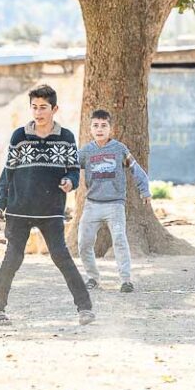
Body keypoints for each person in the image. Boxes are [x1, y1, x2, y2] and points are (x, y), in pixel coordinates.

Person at [0, 85, 95, 326]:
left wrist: (70, 181)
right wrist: (0, 202)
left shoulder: (66, 137)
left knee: (61, 257)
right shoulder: (20, 136)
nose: (38, 112)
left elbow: (73, 171)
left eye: (43, 108)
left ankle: (85, 308)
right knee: (12, 258)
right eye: (34, 107)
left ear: (54, 109)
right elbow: (9, 172)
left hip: (51, 210)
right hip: (19, 208)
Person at [77, 109, 152, 293]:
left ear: (111, 128)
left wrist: (145, 190)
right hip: (92, 205)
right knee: (84, 243)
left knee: (119, 240)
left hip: (115, 205)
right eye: (96, 126)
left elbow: (136, 169)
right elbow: (69, 169)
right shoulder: (86, 151)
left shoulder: (119, 149)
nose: (99, 129)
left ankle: (126, 280)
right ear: (90, 129)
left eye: (104, 126)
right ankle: (92, 277)